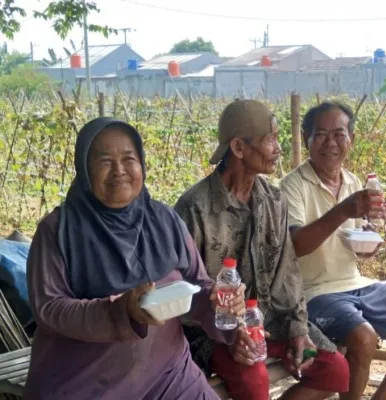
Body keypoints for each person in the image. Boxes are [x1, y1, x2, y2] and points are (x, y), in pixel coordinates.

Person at [24, 117, 245, 400]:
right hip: (86, 385)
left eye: (129, 159)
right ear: (84, 169)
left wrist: (220, 302)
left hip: (168, 377)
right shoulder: (58, 231)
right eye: (105, 161)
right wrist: (121, 311)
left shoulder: (165, 220)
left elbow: (197, 286)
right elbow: (50, 309)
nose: (119, 171)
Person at [174, 99, 349, 400]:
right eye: (270, 139)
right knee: (255, 381)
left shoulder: (273, 200)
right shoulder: (195, 208)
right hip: (214, 331)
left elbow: (288, 272)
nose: (278, 148)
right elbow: (184, 290)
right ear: (239, 148)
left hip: (270, 320)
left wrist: (298, 328)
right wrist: (231, 333)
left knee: (335, 370)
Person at [279, 100, 386, 400]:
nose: (331, 143)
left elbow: (355, 239)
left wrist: (367, 245)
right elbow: (296, 246)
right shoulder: (292, 186)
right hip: (313, 291)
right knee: (364, 339)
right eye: (321, 134)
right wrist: (343, 209)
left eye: (339, 134)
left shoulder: (353, 182)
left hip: (356, 283)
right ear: (306, 139)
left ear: (350, 140)